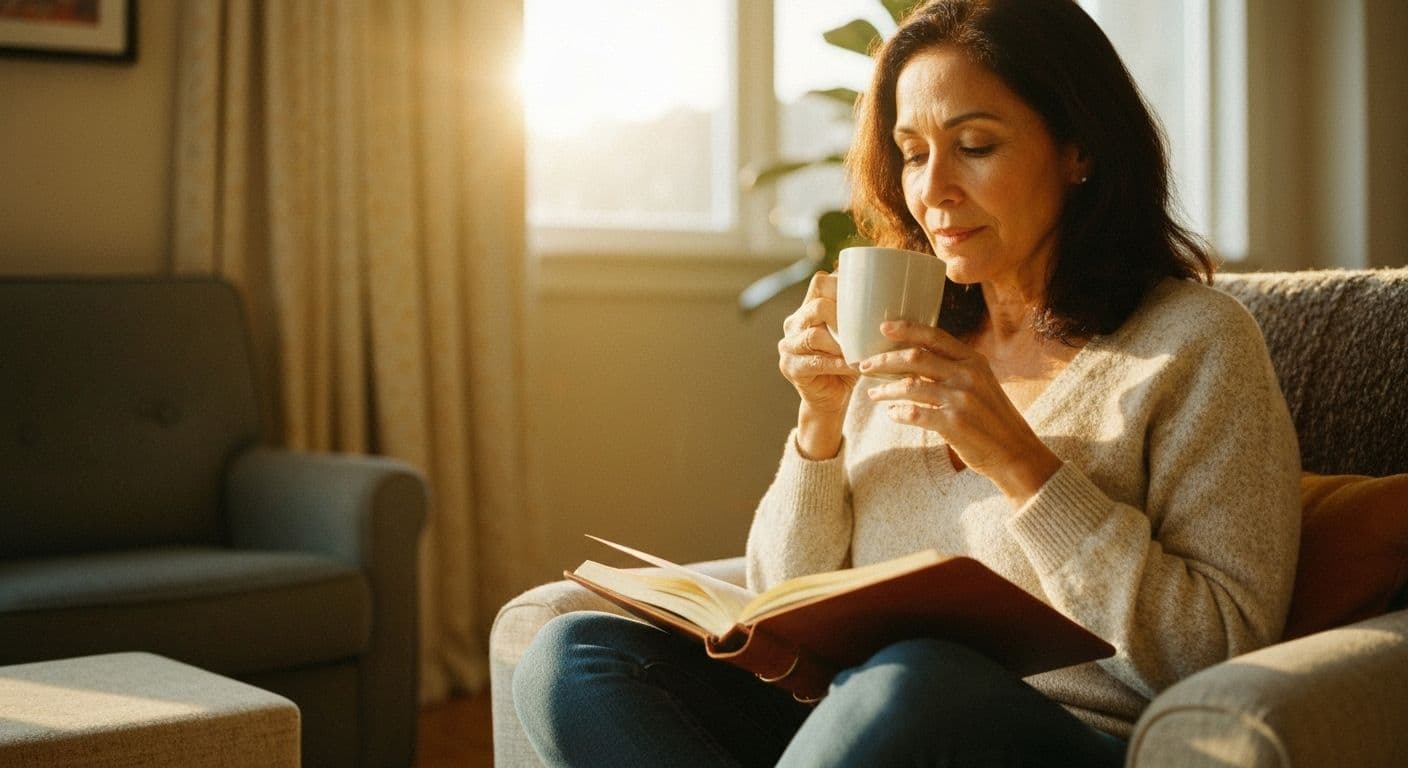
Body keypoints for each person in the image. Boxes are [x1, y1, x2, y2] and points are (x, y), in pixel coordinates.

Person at [513, 0, 1301, 765]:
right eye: (914, 153)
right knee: (576, 654)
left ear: (1079, 150)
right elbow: (782, 613)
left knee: (918, 679)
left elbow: (1217, 649)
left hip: (1052, 735)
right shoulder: (909, 329)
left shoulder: (1195, 341)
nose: (934, 189)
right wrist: (818, 428)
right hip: (854, 721)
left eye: (975, 145)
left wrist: (1021, 465)